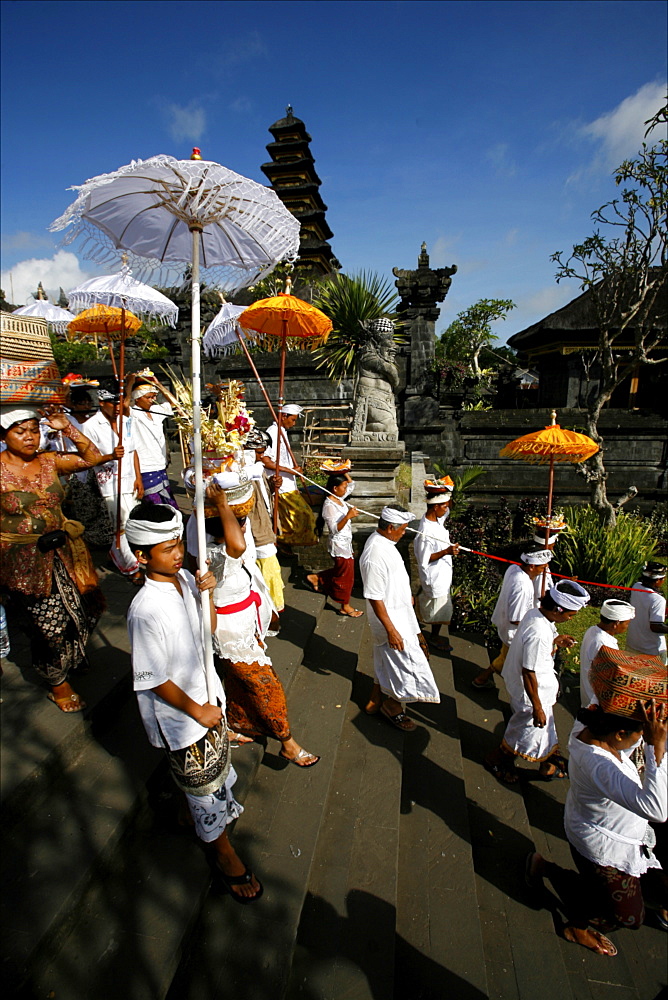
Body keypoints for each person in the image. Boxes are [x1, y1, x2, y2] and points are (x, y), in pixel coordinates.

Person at [125, 501, 262, 903]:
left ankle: (191, 813)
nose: (177, 553)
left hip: (206, 694)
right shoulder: (145, 610)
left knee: (211, 776)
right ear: (142, 556)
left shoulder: (186, 579)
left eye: (176, 544)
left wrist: (210, 595)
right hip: (183, 714)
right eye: (166, 549)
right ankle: (223, 853)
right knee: (203, 785)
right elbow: (152, 678)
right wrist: (197, 710)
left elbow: (209, 630)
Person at [526, 700, 667, 956]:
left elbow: (603, 695)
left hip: (599, 825)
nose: (641, 739)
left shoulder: (592, 724)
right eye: (639, 735)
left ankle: (548, 870)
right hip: (603, 843)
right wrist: (654, 744)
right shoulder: (598, 763)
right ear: (620, 734)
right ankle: (575, 925)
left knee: (626, 891)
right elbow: (656, 810)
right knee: (629, 917)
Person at [204, 476, 319, 767]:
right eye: (241, 523)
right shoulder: (218, 556)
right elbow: (238, 546)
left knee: (238, 680)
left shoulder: (227, 552)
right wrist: (220, 503)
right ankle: (288, 743)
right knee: (266, 686)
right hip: (230, 632)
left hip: (246, 622)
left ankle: (238, 722)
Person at [0, 404, 109, 712]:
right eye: (20, 432)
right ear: (4, 434)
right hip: (21, 562)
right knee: (48, 625)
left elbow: (94, 458)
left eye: (34, 431)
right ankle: (57, 681)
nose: (30, 438)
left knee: (86, 609)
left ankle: (72, 656)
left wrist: (65, 427)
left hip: (64, 554)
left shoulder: (49, 462)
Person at [484, 580, 590, 784]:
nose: (569, 619)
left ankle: (546, 764)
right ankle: (496, 760)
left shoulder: (536, 614)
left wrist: (555, 640)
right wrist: (537, 707)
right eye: (569, 615)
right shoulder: (538, 633)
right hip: (532, 696)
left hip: (539, 692)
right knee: (524, 733)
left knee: (541, 732)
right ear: (558, 610)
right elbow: (528, 671)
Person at [360, 504, 439, 731]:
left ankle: (376, 698)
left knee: (385, 659)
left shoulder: (386, 543)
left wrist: (407, 597)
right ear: (391, 527)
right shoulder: (374, 554)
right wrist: (391, 630)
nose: (404, 533)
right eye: (402, 529)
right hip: (390, 620)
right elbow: (375, 597)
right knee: (407, 663)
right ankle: (393, 705)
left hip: (400, 612)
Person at [84, 380, 144, 583]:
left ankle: (120, 554)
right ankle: (129, 568)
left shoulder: (125, 421)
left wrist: (139, 478)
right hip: (109, 484)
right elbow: (88, 458)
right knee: (120, 527)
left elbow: (133, 451)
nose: (118, 407)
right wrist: (109, 456)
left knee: (133, 522)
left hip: (130, 480)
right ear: (101, 402)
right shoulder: (90, 426)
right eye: (113, 403)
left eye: (120, 402)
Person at [472, 542, 553, 689]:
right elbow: (516, 619)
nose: (544, 570)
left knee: (506, 658)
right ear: (532, 566)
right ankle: (482, 679)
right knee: (509, 661)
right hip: (514, 632)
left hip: (505, 626)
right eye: (542, 567)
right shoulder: (522, 587)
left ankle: (482, 679)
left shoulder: (514, 568)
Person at [306, 472, 363, 618]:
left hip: (346, 542)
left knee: (342, 570)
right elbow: (334, 529)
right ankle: (345, 605)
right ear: (335, 488)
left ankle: (317, 577)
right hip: (339, 545)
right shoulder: (329, 505)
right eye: (342, 487)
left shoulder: (339, 498)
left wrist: (343, 471)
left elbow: (351, 485)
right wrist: (348, 516)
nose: (346, 489)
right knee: (346, 576)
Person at [261, 403, 317, 547]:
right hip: (281, 485)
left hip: (289, 483)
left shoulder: (282, 431)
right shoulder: (272, 432)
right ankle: (281, 542)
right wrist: (292, 471)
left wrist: (294, 469)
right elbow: (266, 461)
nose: (294, 423)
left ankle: (286, 543)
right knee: (303, 515)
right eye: (292, 420)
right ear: (283, 416)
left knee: (296, 517)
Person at [244, 429, 285, 615]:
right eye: (258, 453)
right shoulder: (241, 472)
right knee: (268, 569)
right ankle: (270, 610)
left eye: (262, 452)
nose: (261, 457)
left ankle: (271, 608)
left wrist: (272, 485)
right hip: (255, 529)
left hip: (265, 523)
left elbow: (264, 496)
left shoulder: (257, 469)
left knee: (270, 569)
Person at [413, 489, 459, 651]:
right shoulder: (426, 531)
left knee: (434, 604)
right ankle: (433, 636)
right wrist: (446, 551)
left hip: (443, 573)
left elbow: (449, 507)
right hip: (435, 576)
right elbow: (424, 558)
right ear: (435, 507)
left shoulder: (437, 520)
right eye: (444, 507)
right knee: (439, 609)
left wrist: (447, 491)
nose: (447, 509)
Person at [126, 372, 179, 509]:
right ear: (137, 399)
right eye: (148, 397)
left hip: (160, 464)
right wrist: (130, 384)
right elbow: (124, 404)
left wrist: (159, 385)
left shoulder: (156, 410)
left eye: (154, 397)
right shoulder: (132, 413)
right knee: (155, 506)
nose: (152, 400)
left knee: (169, 505)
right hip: (145, 467)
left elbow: (175, 404)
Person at [579, 600, 636, 708]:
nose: (627, 627)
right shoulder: (604, 644)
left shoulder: (593, 630)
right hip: (597, 701)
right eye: (627, 623)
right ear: (616, 623)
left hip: (589, 695)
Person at [626, 562, 667, 666]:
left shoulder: (636, 586)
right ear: (657, 580)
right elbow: (655, 626)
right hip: (652, 650)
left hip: (633, 642)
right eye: (663, 578)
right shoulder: (658, 600)